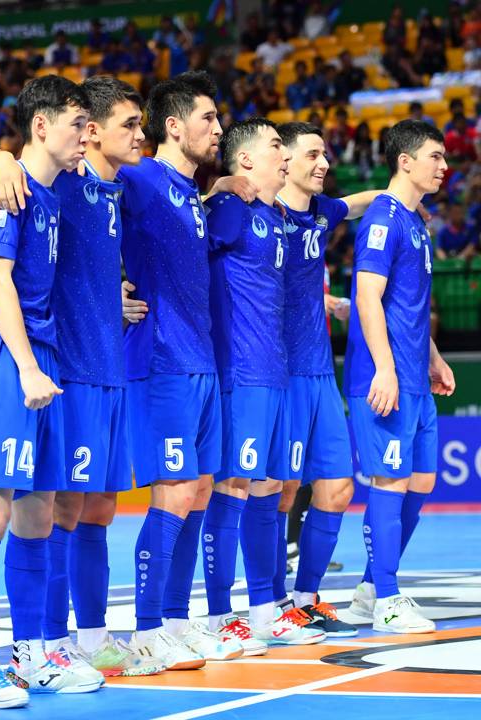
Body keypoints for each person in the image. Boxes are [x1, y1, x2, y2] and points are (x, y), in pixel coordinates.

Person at [0, 76, 165, 679]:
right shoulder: (62, 177)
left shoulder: (118, 185)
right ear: (86, 129)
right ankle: (49, 642)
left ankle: (83, 636)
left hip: (103, 365)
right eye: (127, 125)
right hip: (63, 366)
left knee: (99, 506)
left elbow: (179, 177)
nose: (139, 135)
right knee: (54, 507)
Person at [0, 74, 99, 709]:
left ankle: (33, 655)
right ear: (41, 125)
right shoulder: (2, 187)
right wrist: (26, 367)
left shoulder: (52, 186)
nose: (85, 137)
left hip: (44, 359)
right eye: (76, 124)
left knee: (37, 517)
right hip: (3, 358)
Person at [117, 71, 243, 669]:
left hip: (202, 363)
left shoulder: (193, 193)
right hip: (161, 359)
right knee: (171, 493)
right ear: (173, 125)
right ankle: (144, 633)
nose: (218, 129)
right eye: (208, 119)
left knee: (195, 493)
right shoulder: (139, 178)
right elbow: (71, 198)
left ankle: (173, 619)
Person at [201, 118, 319, 647]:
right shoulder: (230, 209)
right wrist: (215, 188)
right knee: (230, 489)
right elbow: (186, 253)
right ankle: (220, 617)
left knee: (270, 490)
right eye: (276, 147)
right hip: (241, 373)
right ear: (246, 160)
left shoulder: (272, 216)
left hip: (274, 373)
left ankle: (268, 609)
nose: (285, 155)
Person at [271, 121, 389, 637]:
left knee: (338, 488)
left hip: (321, 373)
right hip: (277, 370)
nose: (323, 163)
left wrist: (399, 196)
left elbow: (357, 201)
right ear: (284, 161)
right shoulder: (257, 213)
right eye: (313, 154)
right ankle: (268, 603)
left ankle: (305, 595)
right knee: (278, 489)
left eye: (325, 154)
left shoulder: (320, 212)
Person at [344, 120, 455, 633]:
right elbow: (368, 295)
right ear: (405, 161)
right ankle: (387, 599)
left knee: (422, 480)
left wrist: (432, 355)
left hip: (414, 374)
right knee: (389, 482)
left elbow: (406, 306)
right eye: (435, 156)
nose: (445, 165)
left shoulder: (416, 221)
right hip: (383, 376)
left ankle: (371, 586)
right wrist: (385, 369)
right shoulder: (384, 219)